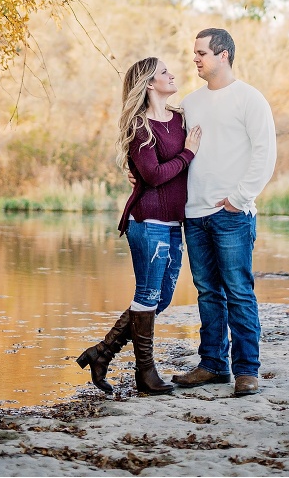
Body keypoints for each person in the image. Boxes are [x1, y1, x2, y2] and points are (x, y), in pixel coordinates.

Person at [77, 56, 201, 396]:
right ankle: (145, 373)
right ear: (149, 83)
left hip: (174, 221)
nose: (172, 74)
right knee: (147, 296)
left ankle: (102, 352)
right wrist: (188, 154)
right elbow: (153, 175)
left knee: (159, 300)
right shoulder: (138, 126)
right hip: (147, 222)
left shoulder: (180, 118)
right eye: (164, 72)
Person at [172, 28, 276, 398]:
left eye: (202, 53)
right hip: (195, 215)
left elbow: (265, 155)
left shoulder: (250, 99)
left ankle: (247, 371)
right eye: (195, 53)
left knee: (238, 292)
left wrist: (239, 199)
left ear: (224, 55)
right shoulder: (191, 103)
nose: (195, 59)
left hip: (232, 214)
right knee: (207, 293)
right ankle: (213, 364)